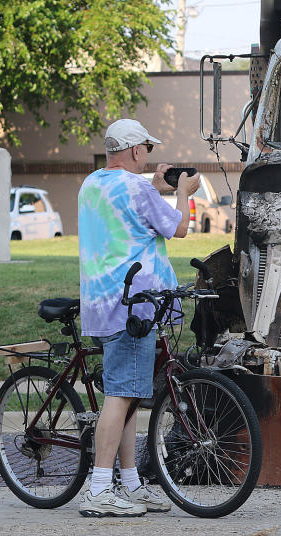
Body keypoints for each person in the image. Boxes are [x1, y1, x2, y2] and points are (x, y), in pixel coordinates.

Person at [77, 118, 199, 517]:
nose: (148, 155)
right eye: (146, 148)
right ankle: (98, 489)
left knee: (126, 392)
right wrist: (182, 192)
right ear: (134, 150)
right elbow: (179, 228)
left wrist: (155, 185)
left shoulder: (93, 184)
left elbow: (129, 209)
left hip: (101, 303)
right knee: (119, 397)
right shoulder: (136, 189)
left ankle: (128, 483)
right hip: (135, 306)